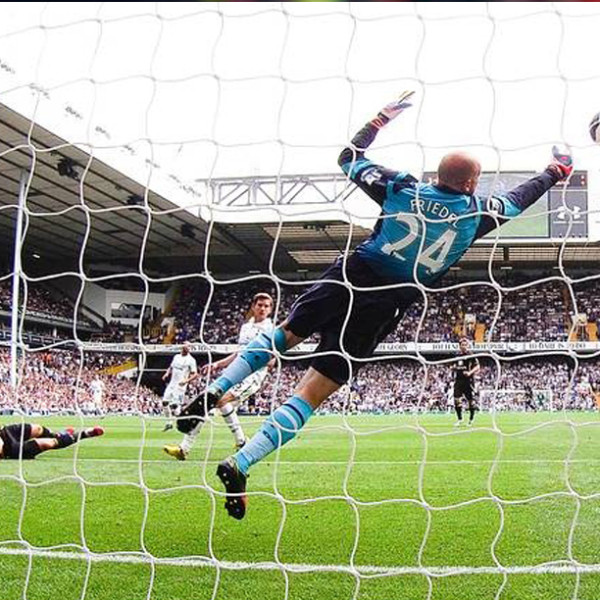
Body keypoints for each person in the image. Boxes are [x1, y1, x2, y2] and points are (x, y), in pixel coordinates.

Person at [178, 91, 573, 520]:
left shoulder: (402, 187)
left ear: (437, 174)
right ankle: (241, 463)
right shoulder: (478, 212)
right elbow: (523, 196)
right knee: (311, 394)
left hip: (353, 275)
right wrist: (557, 170)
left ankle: (215, 390)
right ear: (472, 184)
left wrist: (381, 119)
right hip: (385, 305)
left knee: (284, 335)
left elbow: (348, 157)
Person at [164, 293, 274, 460]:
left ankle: (184, 448)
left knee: (212, 401)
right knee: (216, 401)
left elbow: (272, 359)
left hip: (253, 375)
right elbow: (238, 354)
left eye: (266, 306)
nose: (262, 308)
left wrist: (263, 360)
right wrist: (217, 364)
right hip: (237, 371)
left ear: (271, 309)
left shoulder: (270, 329)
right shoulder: (246, 327)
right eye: (260, 305)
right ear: (253, 306)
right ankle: (241, 441)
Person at [0, 422, 104, 460]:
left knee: (38, 428)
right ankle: (84, 434)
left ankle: (60, 435)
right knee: (47, 443)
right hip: (6, 449)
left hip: (4, 432)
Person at [161, 341, 198, 431]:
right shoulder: (176, 357)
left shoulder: (191, 360)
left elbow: (195, 374)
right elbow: (171, 367)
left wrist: (186, 381)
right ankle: (169, 423)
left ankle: (183, 423)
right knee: (164, 402)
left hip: (180, 385)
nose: (187, 348)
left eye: (189, 347)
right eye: (185, 346)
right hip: (172, 383)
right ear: (182, 347)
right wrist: (167, 373)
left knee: (174, 405)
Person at [452, 337, 480, 426]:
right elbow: (453, 366)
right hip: (458, 381)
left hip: (468, 381)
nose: (464, 346)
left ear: (468, 345)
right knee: (456, 400)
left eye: (465, 345)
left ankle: (471, 420)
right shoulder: (456, 356)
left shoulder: (471, 355)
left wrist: (470, 372)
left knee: (471, 401)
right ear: (459, 346)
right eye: (462, 345)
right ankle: (460, 419)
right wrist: (453, 368)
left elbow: (477, 367)